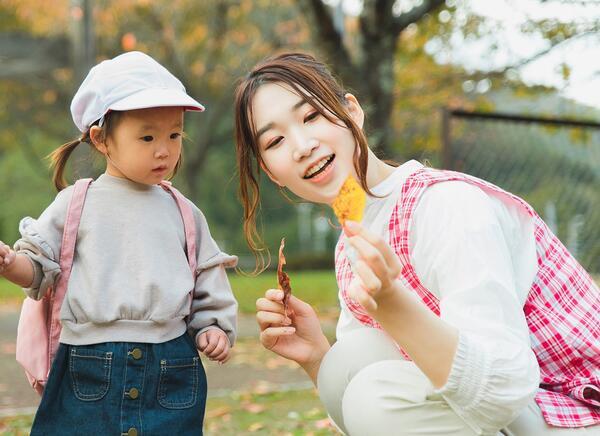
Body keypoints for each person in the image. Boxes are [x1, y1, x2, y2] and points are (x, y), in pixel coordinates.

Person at [233, 52, 600, 435]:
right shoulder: (351, 245)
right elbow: (363, 409)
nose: (301, 145)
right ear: (271, 173)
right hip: (525, 415)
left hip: (575, 408)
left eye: (311, 116)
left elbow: (504, 389)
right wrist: (316, 359)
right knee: (348, 362)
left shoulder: (445, 205)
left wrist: (396, 308)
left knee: (374, 399)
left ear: (353, 111)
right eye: (275, 141)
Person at [0, 51, 238, 435]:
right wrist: (12, 264)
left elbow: (207, 278)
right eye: (147, 136)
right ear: (101, 140)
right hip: (89, 364)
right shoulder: (77, 202)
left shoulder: (184, 211)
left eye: (174, 135)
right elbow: (39, 269)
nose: (164, 149)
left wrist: (213, 328)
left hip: (171, 363)